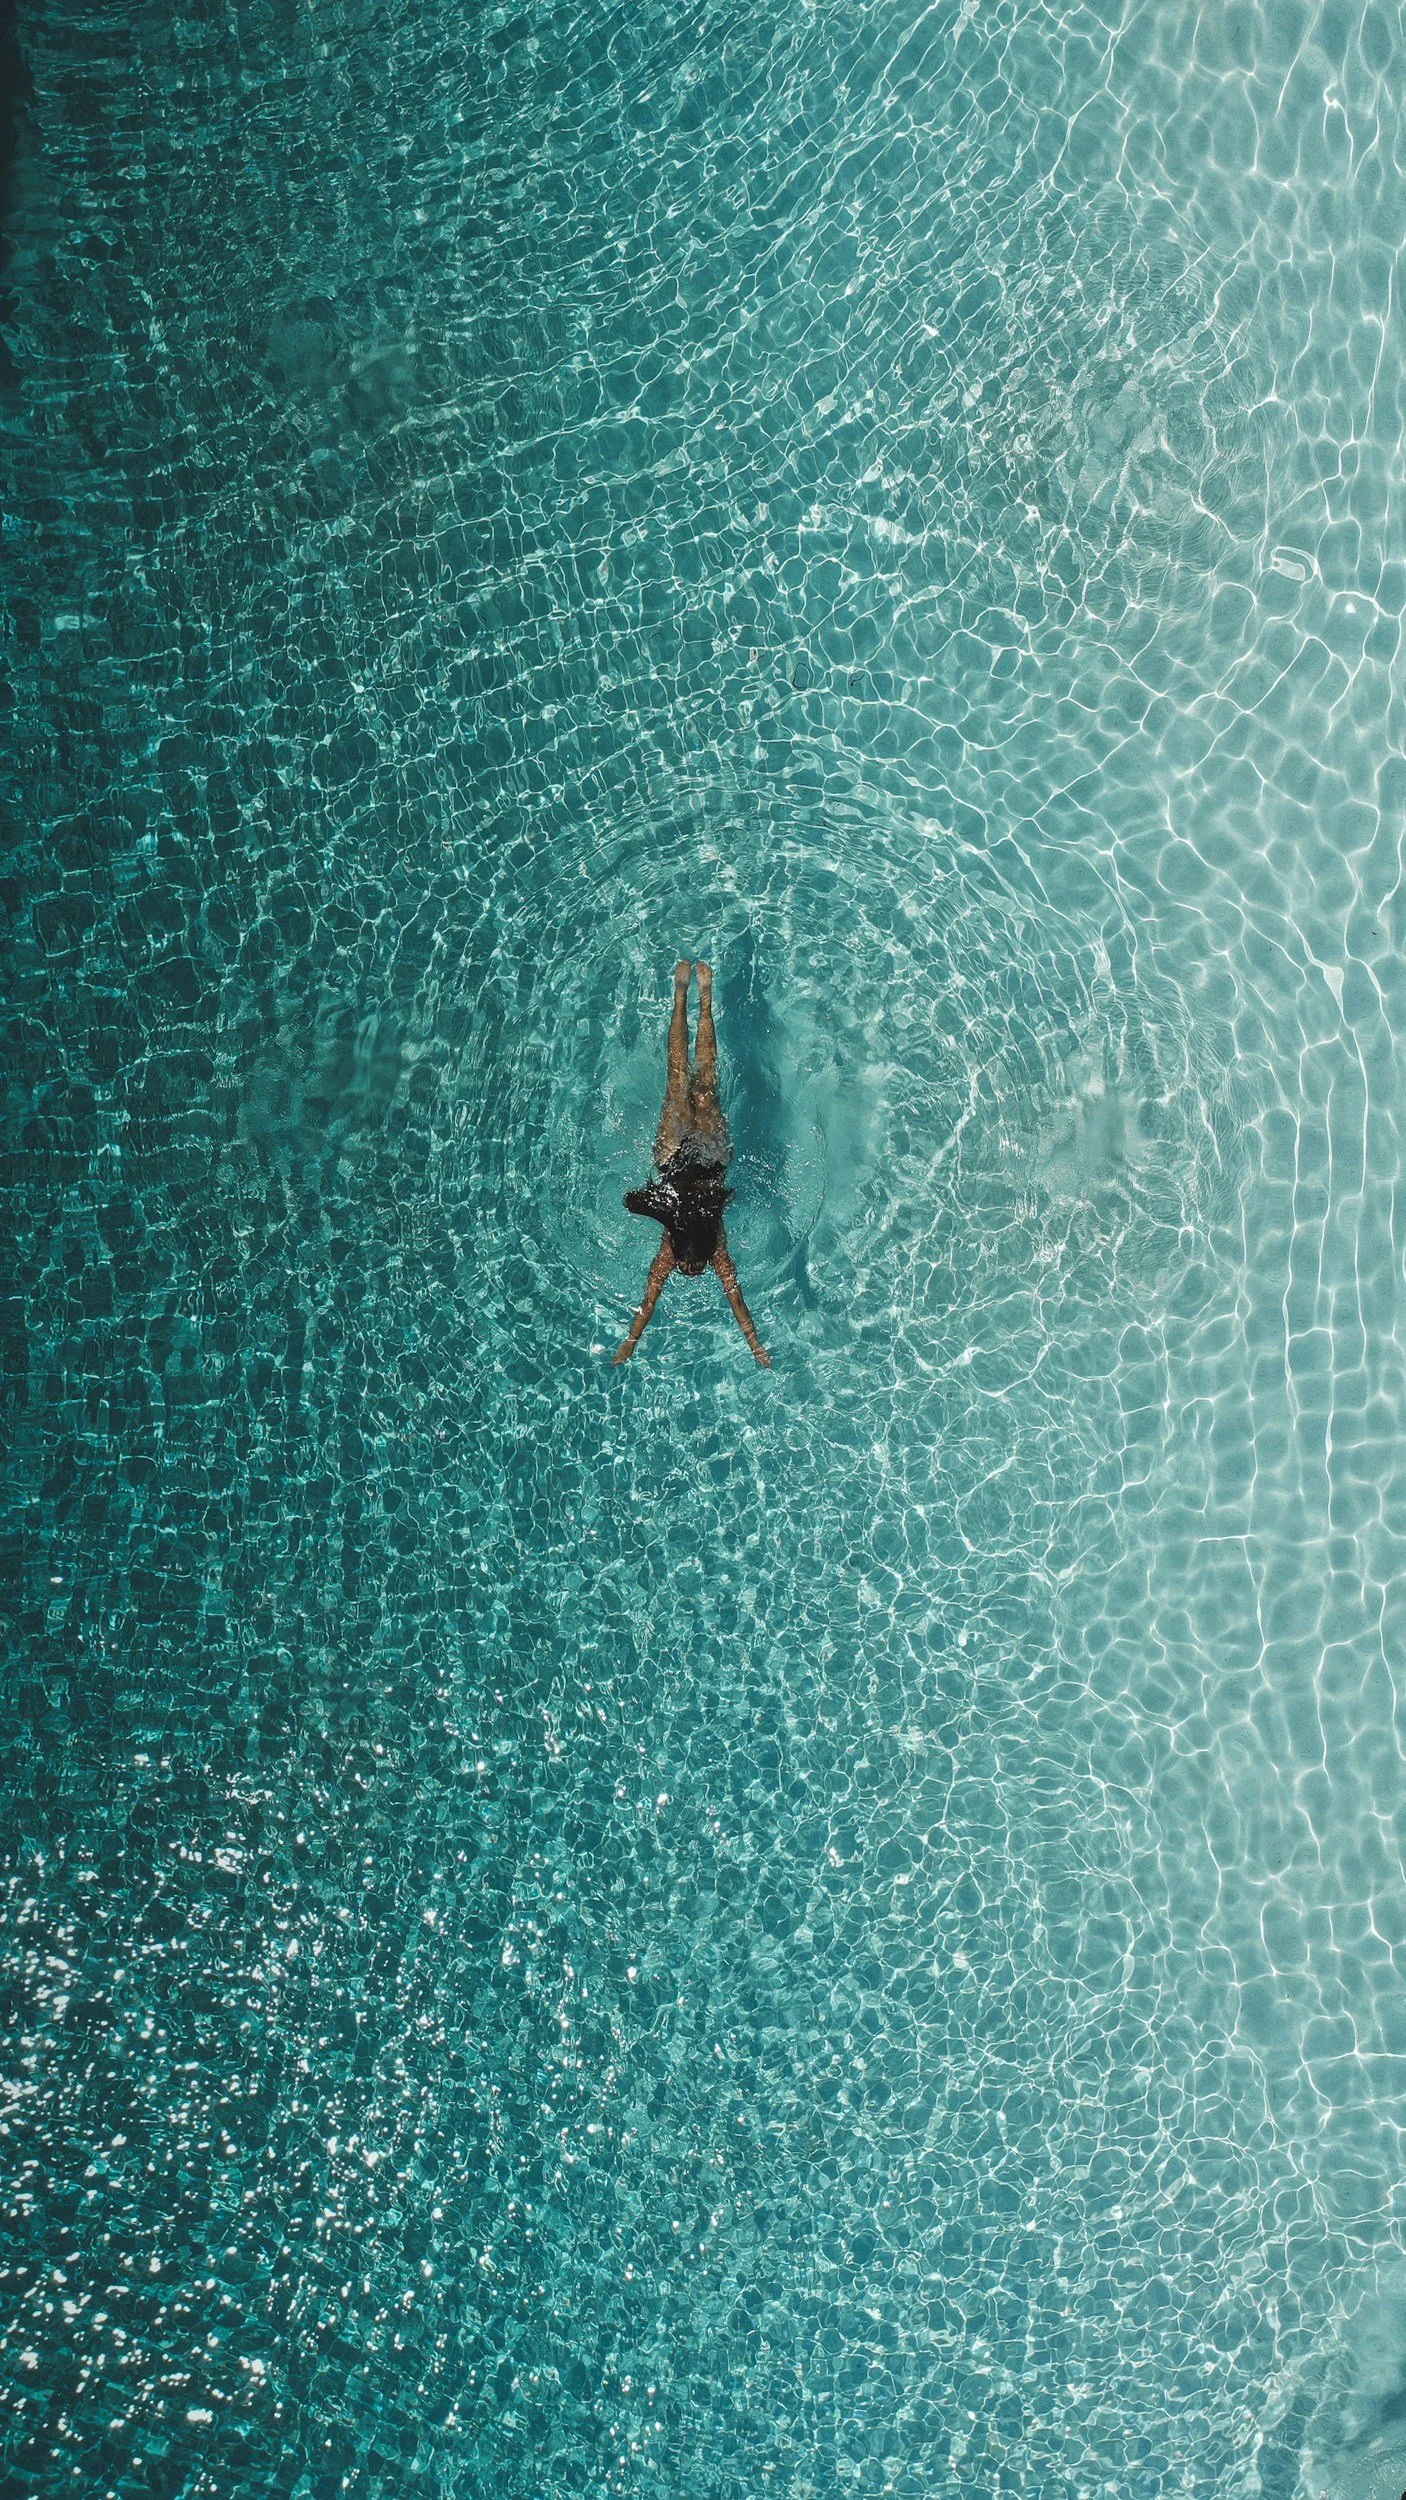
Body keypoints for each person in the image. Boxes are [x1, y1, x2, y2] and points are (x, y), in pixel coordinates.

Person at [613, 961, 771, 1368]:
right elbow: (733, 1301)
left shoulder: (710, 1249)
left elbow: (730, 1300)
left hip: (712, 1157)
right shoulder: (684, 1249)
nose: (689, 1270)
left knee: (700, 1077)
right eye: (694, 1265)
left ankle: (696, 993)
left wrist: (633, 1340)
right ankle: (691, 993)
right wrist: (753, 1346)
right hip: (674, 1158)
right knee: (684, 1076)